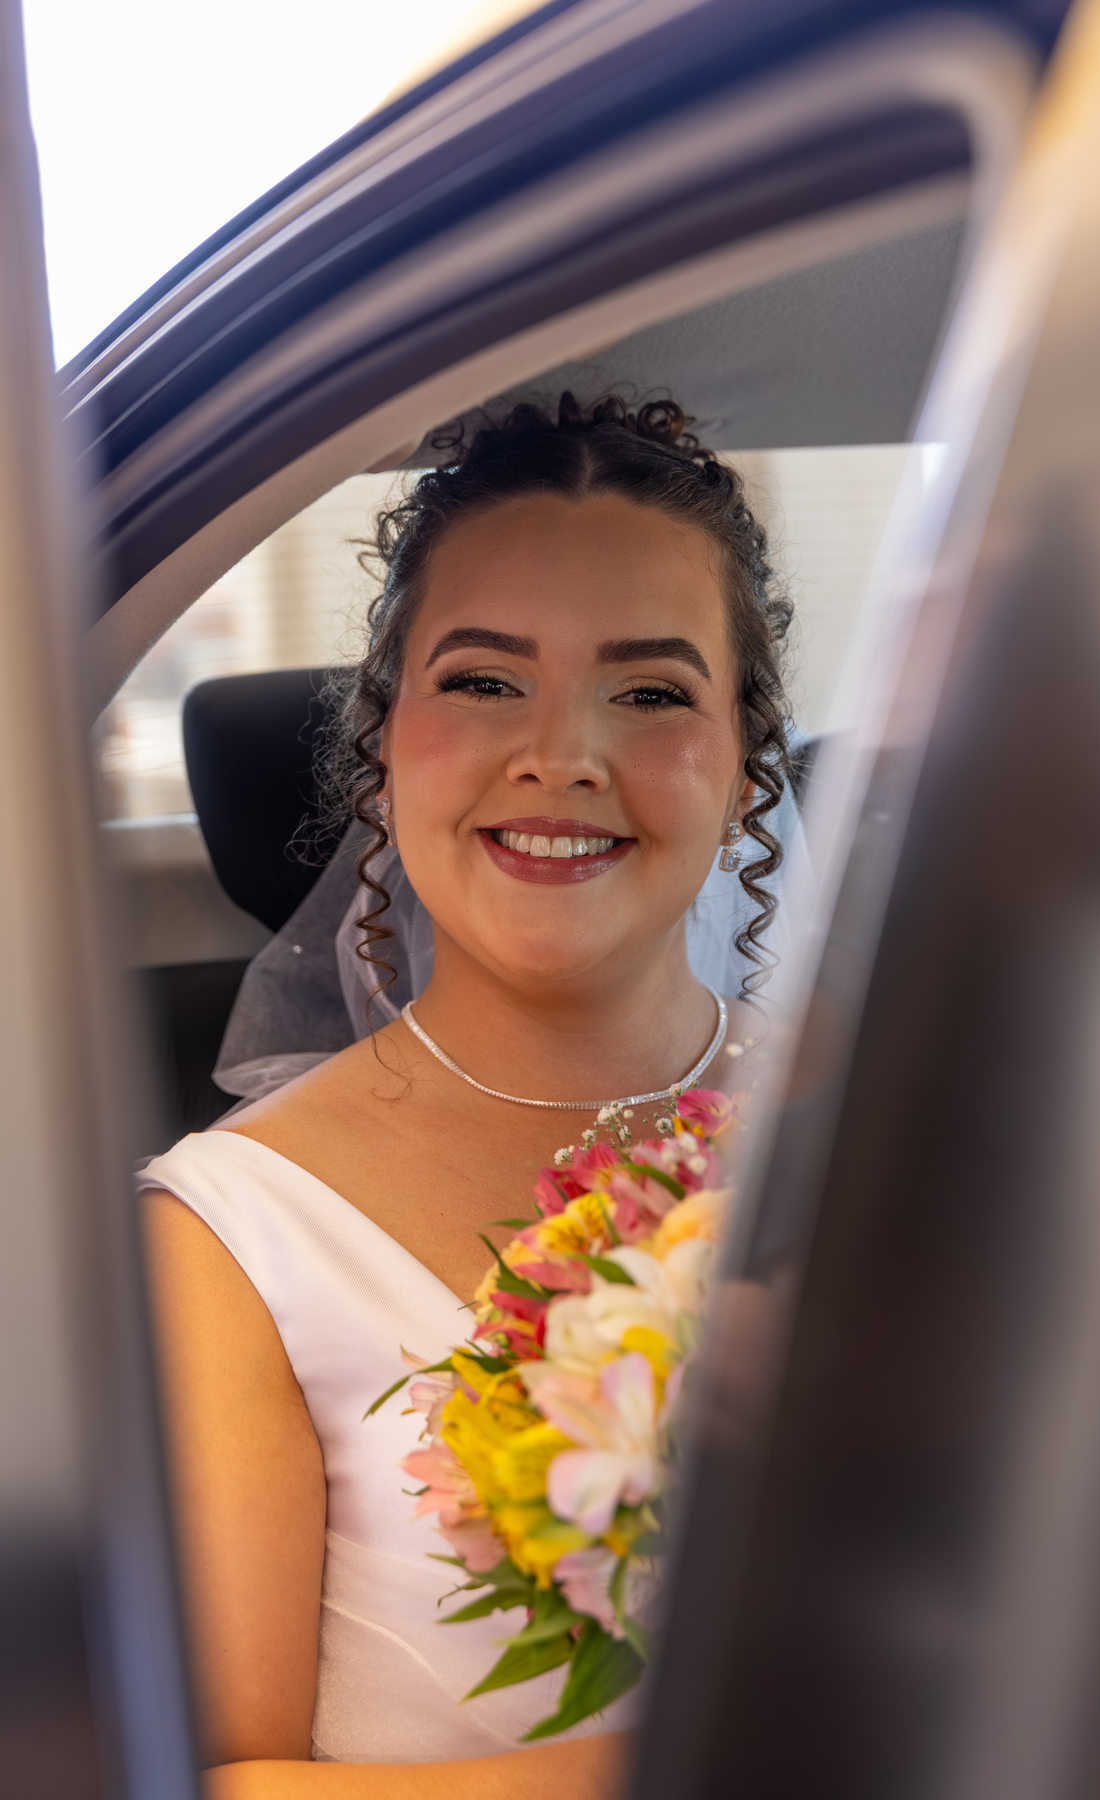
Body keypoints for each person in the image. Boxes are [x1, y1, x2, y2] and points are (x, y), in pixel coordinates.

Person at [139, 394, 796, 1798]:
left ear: (748, 768)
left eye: (652, 692)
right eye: (486, 681)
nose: (561, 756)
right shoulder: (228, 1238)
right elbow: (215, 1779)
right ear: (383, 743)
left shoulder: (897, 1118)